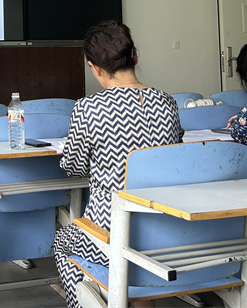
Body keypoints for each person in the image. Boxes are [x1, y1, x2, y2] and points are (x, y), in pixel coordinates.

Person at [53, 21, 182, 308]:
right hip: (165, 228)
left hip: (110, 234)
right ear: (134, 57)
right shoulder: (168, 102)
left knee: (63, 242)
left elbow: (75, 167)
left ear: (95, 68)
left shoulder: (87, 108)